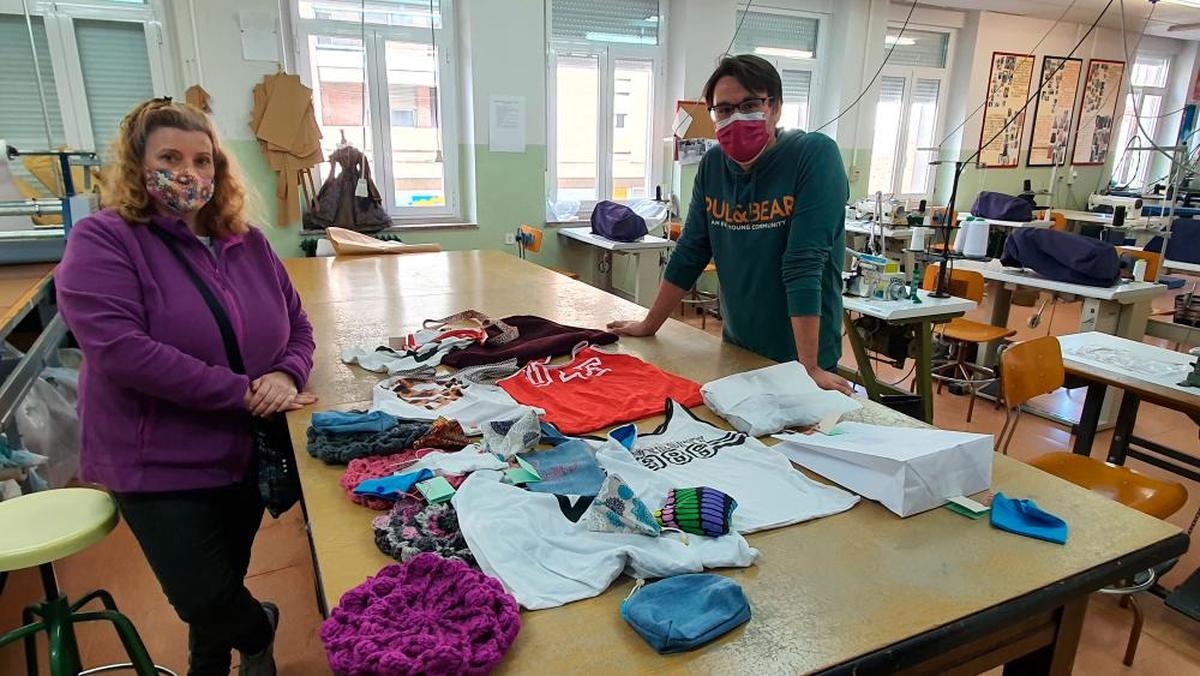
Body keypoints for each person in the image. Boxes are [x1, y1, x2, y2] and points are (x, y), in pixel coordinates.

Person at [56, 98, 317, 676]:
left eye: (203, 160)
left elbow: (298, 325)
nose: (190, 174)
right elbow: (122, 352)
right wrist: (242, 392)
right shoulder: (105, 241)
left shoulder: (246, 242)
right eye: (170, 157)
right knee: (202, 595)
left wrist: (285, 373)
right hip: (157, 458)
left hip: (241, 450)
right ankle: (259, 631)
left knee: (223, 579)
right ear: (136, 165)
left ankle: (208, 667)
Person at [609, 55, 851, 394]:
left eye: (750, 104)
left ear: (776, 107)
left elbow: (804, 261)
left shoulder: (813, 155)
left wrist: (808, 367)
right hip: (738, 346)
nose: (736, 117)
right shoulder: (713, 166)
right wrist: (650, 324)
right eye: (723, 109)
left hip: (802, 355)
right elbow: (691, 251)